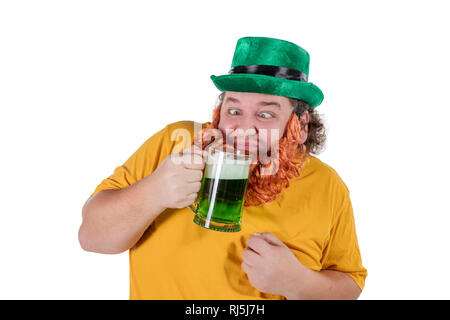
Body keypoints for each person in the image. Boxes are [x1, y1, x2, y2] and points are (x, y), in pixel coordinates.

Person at [78, 36, 368, 300]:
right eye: (234, 110)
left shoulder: (327, 185)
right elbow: (91, 237)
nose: (243, 128)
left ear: (300, 126)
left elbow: (349, 283)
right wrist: (154, 191)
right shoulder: (175, 145)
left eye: (266, 114)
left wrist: (299, 284)